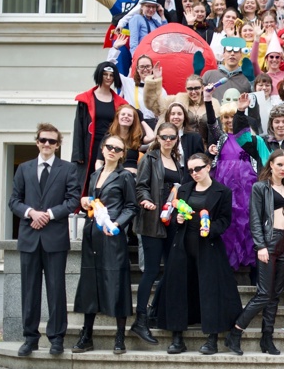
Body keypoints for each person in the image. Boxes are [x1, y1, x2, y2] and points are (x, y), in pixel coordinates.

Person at [157, 153, 242, 355]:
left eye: (198, 168)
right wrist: (178, 218)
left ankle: (212, 338)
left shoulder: (223, 191)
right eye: (191, 170)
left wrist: (210, 229)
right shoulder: (184, 188)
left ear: (208, 166)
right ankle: (177, 337)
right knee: (178, 288)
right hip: (182, 244)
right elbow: (175, 212)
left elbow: (225, 220)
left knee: (211, 290)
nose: (194, 173)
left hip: (208, 245)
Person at [8, 123, 81, 356]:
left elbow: (72, 201)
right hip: (29, 237)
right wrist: (31, 213)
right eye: (42, 140)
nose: (47, 144)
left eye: (51, 141)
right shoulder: (24, 169)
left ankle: (57, 338)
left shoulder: (68, 169)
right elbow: (14, 201)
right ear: (37, 142)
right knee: (29, 291)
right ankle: (30, 338)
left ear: (58, 144)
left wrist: (48, 215)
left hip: (55, 238)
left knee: (56, 290)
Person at [73, 135, 139, 354]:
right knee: (90, 283)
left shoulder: (124, 177)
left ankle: (120, 337)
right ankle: (86, 334)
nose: (112, 150)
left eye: (117, 149)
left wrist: (118, 224)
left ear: (122, 155)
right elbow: (94, 204)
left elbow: (131, 206)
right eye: (109, 146)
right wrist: (86, 203)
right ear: (102, 149)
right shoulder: (94, 175)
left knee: (117, 283)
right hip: (92, 234)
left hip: (112, 236)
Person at [227, 150, 284, 356]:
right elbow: (255, 218)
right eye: (279, 164)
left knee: (275, 295)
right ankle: (236, 332)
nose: (283, 169)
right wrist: (261, 245)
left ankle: (267, 338)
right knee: (264, 293)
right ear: (271, 165)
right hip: (269, 241)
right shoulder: (260, 187)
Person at [131, 123, 185, 345]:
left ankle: (154, 310)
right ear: (158, 138)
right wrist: (145, 199)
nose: (168, 140)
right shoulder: (150, 159)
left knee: (172, 269)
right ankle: (140, 320)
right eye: (164, 136)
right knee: (152, 271)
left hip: (173, 222)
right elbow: (140, 186)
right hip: (152, 221)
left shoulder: (178, 162)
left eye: (172, 137)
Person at [205, 95, 257, 271]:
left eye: (233, 116)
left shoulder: (249, 138)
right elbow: (211, 123)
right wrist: (207, 100)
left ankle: (247, 259)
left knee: (246, 221)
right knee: (230, 220)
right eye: (226, 117)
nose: (229, 120)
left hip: (247, 185)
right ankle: (228, 261)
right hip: (225, 185)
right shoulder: (221, 138)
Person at [73, 62, 128, 197]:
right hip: (89, 145)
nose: (108, 78)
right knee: (88, 178)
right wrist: (78, 154)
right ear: (99, 75)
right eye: (105, 74)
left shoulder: (121, 103)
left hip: (110, 145)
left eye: (111, 75)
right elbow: (78, 127)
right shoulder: (85, 100)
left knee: (108, 178)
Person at [105, 104, 153, 174]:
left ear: (134, 120)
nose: (126, 116)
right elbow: (99, 161)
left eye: (129, 115)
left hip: (131, 178)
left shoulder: (136, 137)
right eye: (123, 114)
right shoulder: (109, 137)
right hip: (113, 178)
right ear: (117, 117)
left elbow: (151, 137)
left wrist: (141, 120)